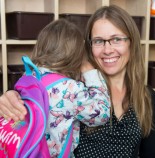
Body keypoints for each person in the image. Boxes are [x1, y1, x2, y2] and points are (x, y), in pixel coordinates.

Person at [0, 5, 155, 158]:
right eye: (98, 41)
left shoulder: (147, 97)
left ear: (132, 43)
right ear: (87, 47)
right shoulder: (74, 88)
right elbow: (32, 106)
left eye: (116, 39)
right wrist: (11, 97)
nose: (108, 49)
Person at [0, 19, 111, 157]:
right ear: (77, 56)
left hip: (27, 150)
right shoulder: (70, 88)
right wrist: (90, 72)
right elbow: (102, 114)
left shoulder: (29, 76)